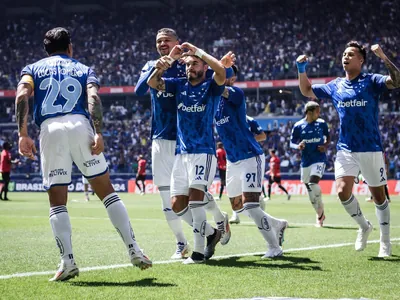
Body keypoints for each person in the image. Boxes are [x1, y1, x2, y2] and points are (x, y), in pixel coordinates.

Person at [16, 27, 152, 281]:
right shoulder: (83, 69)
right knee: (107, 191)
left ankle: (67, 261)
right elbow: (93, 98)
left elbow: (23, 94)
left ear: (45, 50)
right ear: (70, 47)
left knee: (57, 201)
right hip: (80, 125)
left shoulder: (31, 69)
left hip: (50, 128)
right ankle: (135, 249)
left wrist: (23, 133)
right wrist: (98, 132)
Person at [296, 41, 400, 257]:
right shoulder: (335, 85)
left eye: (351, 54)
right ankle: (364, 225)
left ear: (361, 60)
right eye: (344, 53)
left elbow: (397, 81)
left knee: (379, 197)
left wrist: (383, 57)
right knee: (343, 192)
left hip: (370, 147)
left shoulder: (372, 81)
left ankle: (385, 242)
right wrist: (301, 69)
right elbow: (306, 90)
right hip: (346, 148)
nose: (345, 57)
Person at [135, 28, 231, 259]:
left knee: (195, 193)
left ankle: (211, 228)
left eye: (167, 40)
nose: (162, 44)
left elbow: (220, 72)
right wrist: (164, 63)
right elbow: (141, 89)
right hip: (163, 139)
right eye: (158, 41)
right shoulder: (157, 65)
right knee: (171, 199)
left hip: (187, 140)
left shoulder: (193, 63)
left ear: (178, 42)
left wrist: (194, 57)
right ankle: (185, 240)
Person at [215, 65, 288, 258]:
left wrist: (212, 78)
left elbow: (217, 88)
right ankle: (277, 224)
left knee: (250, 205)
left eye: (223, 75)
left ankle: (274, 247)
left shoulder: (236, 94)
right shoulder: (214, 105)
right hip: (232, 161)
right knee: (237, 206)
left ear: (231, 79)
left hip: (250, 156)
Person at [290, 101, 330, 227]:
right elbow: (291, 143)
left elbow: (328, 137)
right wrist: (298, 146)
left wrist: (325, 145)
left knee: (313, 183)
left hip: (319, 159)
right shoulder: (298, 126)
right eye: (317, 111)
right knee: (310, 193)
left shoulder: (322, 124)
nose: (319, 114)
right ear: (309, 112)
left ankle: (320, 211)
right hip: (305, 162)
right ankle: (320, 214)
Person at [229, 115, 267, 224]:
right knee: (234, 191)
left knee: (248, 192)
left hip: (250, 158)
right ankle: (235, 215)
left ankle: (261, 213)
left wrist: (248, 140)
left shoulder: (249, 120)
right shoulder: (225, 118)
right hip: (234, 159)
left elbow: (263, 136)